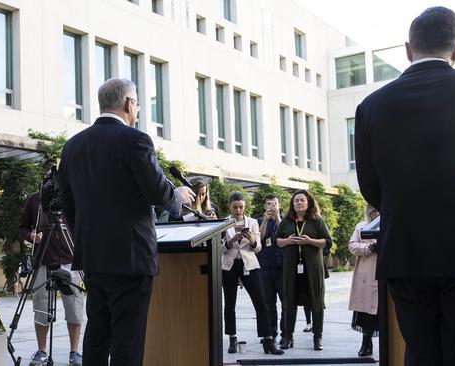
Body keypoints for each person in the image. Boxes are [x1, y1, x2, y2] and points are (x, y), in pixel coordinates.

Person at [354, 7, 455, 366]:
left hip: (406, 249)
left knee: (421, 352)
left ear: (408, 49)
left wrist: (406, 209)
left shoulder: (371, 105)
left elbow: (370, 185)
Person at [57, 78, 194, 366]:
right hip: (131, 257)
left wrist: (87, 235)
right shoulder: (135, 140)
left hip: (93, 256)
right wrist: (178, 196)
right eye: (138, 106)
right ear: (129, 104)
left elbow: (68, 205)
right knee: (127, 338)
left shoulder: (72, 146)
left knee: (97, 331)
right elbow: (157, 191)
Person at [19, 192, 84, 366]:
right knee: (41, 307)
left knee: (74, 306)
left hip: (71, 259)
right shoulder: (35, 199)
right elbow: (23, 226)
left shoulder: (74, 195)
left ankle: (74, 352)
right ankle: (42, 351)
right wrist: (31, 236)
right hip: (43, 259)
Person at [221, 192, 284, 355]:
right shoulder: (223, 224)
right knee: (229, 304)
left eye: (241, 207)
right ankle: (232, 339)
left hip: (249, 265)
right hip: (229, 266)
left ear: (244, 207)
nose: (238, 210)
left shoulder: (253, 223)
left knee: (261, 303)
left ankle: (268, 340)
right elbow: (219, 249)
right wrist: (230, 242)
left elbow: (258, 248)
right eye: (235, 207)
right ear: (230, 207)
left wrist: (252, 240)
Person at [273, 189, 332, 351]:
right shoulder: (287, 220)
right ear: (292, 204)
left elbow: (327, 242)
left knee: (316, 302)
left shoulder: (316, 220)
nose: (299, 203)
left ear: (308, 203)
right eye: (296, 200)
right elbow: (276, 241)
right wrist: (288, 241)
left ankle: (317, 337)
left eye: (302, 200)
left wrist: (310, 241)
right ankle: (287, 337)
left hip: (312, 270)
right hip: (291, 268)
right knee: (289, 302)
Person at [348, 204, 380, 358]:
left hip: (385, 272)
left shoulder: (391, 224)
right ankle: (366, 343)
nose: (375, 214)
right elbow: (352, 245)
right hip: (367, 274)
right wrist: (368, 247)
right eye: (372, 211)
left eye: (378, 211)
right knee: (367, 311)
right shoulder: (361, 226)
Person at [256, 194, 285, 341]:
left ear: (279, 206)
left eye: (275, 204)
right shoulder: (259, 221)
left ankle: (286, 334)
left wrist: (278, 218)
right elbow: (258, 239)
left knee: (285, 302)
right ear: (264, 206)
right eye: (269, 204)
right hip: (265, 267)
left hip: (282, 267)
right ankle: (271, 333)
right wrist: (266, 220)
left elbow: (285, 234)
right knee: (268, 304)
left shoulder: (285, 220)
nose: (272, 206)